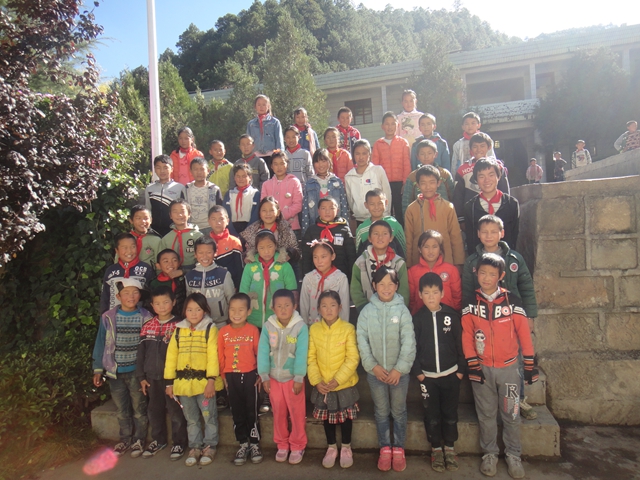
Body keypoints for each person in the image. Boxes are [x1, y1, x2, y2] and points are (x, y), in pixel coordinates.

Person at [462, 253, 538, 479]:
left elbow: (524, 334)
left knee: (511, 413)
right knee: (486, 414)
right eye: (482, 273)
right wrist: (472, 363)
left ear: (501, 275)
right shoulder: (470, 304)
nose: (486, 278)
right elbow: (466, 336)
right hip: (481, 369)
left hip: (509, 370)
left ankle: (514, 455)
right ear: (476, 273)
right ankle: (490, 454)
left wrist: (529, 364)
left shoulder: (512, 302)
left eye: (492, 274)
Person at [356, 266, 416, 472]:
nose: (386, 288)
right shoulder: (367, 312)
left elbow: (409, 341)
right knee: (381, 411)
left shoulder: (402, 310)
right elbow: (361, 340)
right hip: (376, 374)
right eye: (381, 284)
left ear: (397, 286)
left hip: (399, 374)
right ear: (374, 286)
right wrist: (372, 366)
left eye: (390, 284)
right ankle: (385, 448)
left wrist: (399, 369)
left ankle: (398, 448)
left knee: (398, 411)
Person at [92, 278, 153, 457]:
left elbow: (149, 345)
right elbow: (100, 343)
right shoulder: (108, 317)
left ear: (140, 296)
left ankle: (139, 440)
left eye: (135, 292)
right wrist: (98, 369)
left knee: (139, 408)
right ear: (118, 296)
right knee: (121, 409)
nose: (131, 296)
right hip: (115, 372)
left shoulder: (146, 316)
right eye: (126, 293)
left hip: (137, 372)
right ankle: (125, 439)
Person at [411, 272, 464, 473]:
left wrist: (460, 371)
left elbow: (461, 345)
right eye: (426, 293)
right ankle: (436, 449)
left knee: (450, 413)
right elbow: (412, 347)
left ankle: (449, 448)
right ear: (420, 295)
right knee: (431, 414)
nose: (431, 296)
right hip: (428, 378)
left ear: (442, 293)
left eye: (435, 292)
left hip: (451, 375)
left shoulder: (452, 316)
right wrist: (419, 373)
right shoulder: (417, 319)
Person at [164, 293, 224, 467]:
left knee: (209, 416)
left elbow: (213, 356)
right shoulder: (179, 329)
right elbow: (171, 357)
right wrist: (169, 382)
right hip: (183, 385)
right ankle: (195, 447)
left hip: (204, 384)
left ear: (205, 310)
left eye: (198, 309)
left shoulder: (210, 329)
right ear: (184, 311)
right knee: (191, 419)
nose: (193, 313)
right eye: (189, 310)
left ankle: (210, 446)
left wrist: (211, 380)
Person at [308, 290, 360, 469]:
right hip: (323, 385)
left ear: (340, 307)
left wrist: (338, 380)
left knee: (345, 418)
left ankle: (346, 447)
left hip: (343, 384)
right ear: (318, 309)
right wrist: (316, 381)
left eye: (332, 305)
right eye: (324, 306)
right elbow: (311, 358)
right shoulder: (314, 329)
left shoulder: (348, 329)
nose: (328, 310)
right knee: (327, 418)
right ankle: (331, 447)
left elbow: (352, 358)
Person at [136, 286, 188, 460]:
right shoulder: (147, 326)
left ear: (173, 302)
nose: (162, 306)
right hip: (152, 378)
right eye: (157, 303)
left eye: (166, 302)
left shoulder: (180, 325)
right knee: (154, 410)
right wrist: (141, 377)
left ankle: (179, 442)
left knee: (175, 410)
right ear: (152, 305)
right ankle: (158, 440)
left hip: (173, 378)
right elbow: (141, 354)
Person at [258, 289, 309, 465]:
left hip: (293, 379)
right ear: (272, 308)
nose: (283, 309)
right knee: (278, 412)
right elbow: (263, 351)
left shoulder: (300, 327)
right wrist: (264, 376)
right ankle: (282, 444)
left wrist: (299, 377)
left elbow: (302, 353)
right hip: (273, 378)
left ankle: (298, 444)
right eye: (279, 306)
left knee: (297, 413)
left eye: (287, 305)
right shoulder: (268, 326)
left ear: (294, 306)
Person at [217, 293, 263, 466]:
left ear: (249, 311)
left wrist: (260, 374)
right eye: (232, 310)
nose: (236, 313)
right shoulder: (223, 332)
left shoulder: (253, 330)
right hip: (231, 377)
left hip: (250, 376)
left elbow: (259, 353)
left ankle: (255, 443)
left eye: (241, 310)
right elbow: (221, 357)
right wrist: (223, 376)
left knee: (252, 411)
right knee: (237, 411)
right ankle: (243, 443)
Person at [404, 165, 465, 270]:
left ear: (438, 183)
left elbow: (455, 236)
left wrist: (458, 263)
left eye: (432, 182)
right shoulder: (411, 209)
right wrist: (409, 264)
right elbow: (409, 238)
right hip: (419, 263)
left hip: (445, 261)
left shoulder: (448, 207)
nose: (428, 187)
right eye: (423, 183)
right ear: (418, 185)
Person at [240, 230, 297, 329]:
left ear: (275, 246)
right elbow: (243, 292)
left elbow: (292, 292)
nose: (266, 251)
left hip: (278, 320)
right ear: (257, 248)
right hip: (252, 320)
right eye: (261, 248)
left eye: (270, 246)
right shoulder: (250, 266)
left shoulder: (284, 266)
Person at [452, 132, 510, 229]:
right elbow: (458, 196)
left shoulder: (498, 167)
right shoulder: (462, 169)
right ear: (470, 149)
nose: (479, 149)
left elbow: (504, 190)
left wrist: (506, 211)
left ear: (489, 147)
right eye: (475, 146)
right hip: (472, 215)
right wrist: (461, 218)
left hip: (496, 212)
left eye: (482, 146)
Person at [463, 158, 520, 256]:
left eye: (491, 175)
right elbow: (471, 239)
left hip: (506, 258)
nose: (487, 180)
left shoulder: (511, 203)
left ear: (498, 176)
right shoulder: (470, 207)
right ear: (476, 180)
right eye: (481, 176)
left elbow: (515, 235)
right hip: (480, 260)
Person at [351, 220, 410, 311]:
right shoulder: (360, 262)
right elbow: (355, 290)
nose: (380, 237)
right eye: (376, 234)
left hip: (394, 312)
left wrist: (397, 310)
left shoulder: (398, 263)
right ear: (369, 238)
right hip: (368, 312)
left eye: (385, 234)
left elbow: (403, 291)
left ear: (391, 238)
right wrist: (364, 308)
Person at [185, 236, 235, 330]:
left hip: (220, 324)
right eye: (200, 252)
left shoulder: (223, 274)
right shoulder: (189, 276)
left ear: (215, 253)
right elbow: (189, 301)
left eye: (209, 252)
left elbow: (231, 298)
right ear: (195, 254)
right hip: (198, 325)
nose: (205, 256)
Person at [302, 196, 356, 282]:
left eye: (331, 208)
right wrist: (307, 276)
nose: (327, 212)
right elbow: (306, 256)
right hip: (316, 275)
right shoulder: (312, 230)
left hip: (341, 274)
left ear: (337, 210)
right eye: (323, 208)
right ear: (318, 211)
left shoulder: (344, 229)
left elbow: (351, 255)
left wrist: (351, 278)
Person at [408, 230, 461, 314]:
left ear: (440, 249)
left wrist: (454, 313)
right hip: (422, 316)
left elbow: (457, 296)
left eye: (434, 246)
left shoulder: (451, 270)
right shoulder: (412, 272)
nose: (430, 251)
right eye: (426, 247)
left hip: (447, 316)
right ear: (419, 249)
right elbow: (412, 299)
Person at [100, 232, 155, 314]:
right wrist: (104, 315)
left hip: (140, 317)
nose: (129, 251)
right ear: (117, 250)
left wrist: (149, 316)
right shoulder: (111, 270)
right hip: (113, 317)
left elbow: (152, 296)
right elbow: (105, 296)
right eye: (124, 247)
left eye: (133, 247)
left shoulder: (146, 269)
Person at [372, 111, 411, 225]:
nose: (390, 127)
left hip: (399, 183)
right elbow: (375, 166)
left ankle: (401, 233)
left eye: (393, 123)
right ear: (382, 126)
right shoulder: (378, 144)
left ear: (397, 125)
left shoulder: (403, 143)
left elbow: (406, 163)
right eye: (387, 124)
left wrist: (405, 182)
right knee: (385, 210)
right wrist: (378, 184)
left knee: (400, 211)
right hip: (384, 183)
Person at [299, 240, 350, 325]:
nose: (319, 261)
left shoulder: (341, 278)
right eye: (315, 257)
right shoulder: (308, 278)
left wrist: (343, 328)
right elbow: (304, 305)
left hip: (336, 328)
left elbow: (344, 306)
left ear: (333, 256)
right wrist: (304, 327)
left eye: (323, 257)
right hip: (313, 327)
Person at [301, 148, 349, 235]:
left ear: (329, 162)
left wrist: (345, 229)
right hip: (316, 227)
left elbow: (344, 207)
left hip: (336, 227)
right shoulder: (309, 184)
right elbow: (305, 211)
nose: (320, 165)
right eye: (317, 161)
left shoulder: (337, 182)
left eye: (323, 161)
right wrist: (305, 233)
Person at [344, 139, 391, 225]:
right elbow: (350, 200)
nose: (361, 157)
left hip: (380, 217)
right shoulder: (349, 176)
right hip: (360, 219)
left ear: (369, 154)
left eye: (364, 153)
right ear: (353, 155)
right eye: (357, 154)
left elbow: (387, 192)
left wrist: (386, 213)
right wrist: (356, 211)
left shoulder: (378, 170)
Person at [240, 196, 300, 263]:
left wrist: (289, 255)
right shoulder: (252, 231)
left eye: (271, 210)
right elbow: (247, 251)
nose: (268, 214)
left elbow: (295, 249)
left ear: (278, 212)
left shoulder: (286, 230)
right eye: (264, 210)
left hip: (281, 266)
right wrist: (248, 257)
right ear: (259, 213)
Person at [260, 151, 304, 235]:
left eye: (282, 163)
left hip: (291, 227)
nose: (279, 167)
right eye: (275, 164)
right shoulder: (266, 184)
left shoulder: (294, 182)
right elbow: (263, 205)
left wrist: (281, 216)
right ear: (271, 166)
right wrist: (272, 216)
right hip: (270, 227)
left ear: (287, 164)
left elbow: (298, 205)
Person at [403, 139, 455, 210]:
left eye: (429, 153)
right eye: (422, 154)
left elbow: (453, 196)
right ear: (417, 156)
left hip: (443, 212)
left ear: (436, 154)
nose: (426, 156)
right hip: (420, 213)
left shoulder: (444, 174)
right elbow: (406, 201)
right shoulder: (412, 177)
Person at [355, 189, 406, 257]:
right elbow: (359, 254)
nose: (376, 207)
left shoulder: (394, 224)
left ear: (386, 202)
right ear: (366, 205)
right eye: (372, 204)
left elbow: (403, 249)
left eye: (380, 203)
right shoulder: (362, 228)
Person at [145, 154, 185, 237]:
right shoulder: (149, 189)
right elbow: (148, 210)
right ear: (154, 169)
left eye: (165, 167)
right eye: (158, 167)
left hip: (174, 230)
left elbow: (184, 210)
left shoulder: (180, 188)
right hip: (154, 231)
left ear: (172, 169)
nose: (162, 171)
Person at [158, 199, 203, 271]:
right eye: (175, 212)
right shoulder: (166, 239)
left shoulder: (198, 236)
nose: (179, 215)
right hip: (171, 271)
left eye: (182, 211)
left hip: (195, 272)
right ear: (170, 215)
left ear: (189, 214)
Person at [205, 205, 243, 289]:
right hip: (210, 285)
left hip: (231, 285)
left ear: (227, 221)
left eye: (221, 219)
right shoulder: (205, 242)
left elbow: (239, 268)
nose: (218, 223)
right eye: (214, 219)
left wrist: (237, 287)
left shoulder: (234, 241)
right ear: (209, 221)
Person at [246, 94, 284, 173]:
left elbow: (279, 139)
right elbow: (247, 141)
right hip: (256, 157)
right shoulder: (251, 124)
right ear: (255, 107)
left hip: (271, 156)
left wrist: (280, 155)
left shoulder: (275, 122)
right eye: (259, 105)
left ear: (268, 106)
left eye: (264, 104)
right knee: (256, 178)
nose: (261, 107)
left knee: (271, 178)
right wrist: (248, 155)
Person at [184, 157, 223, 231]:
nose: (199, 172)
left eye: (202, 169)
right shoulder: (186, 189)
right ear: (191, 171)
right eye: (195, 169)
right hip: (191, 228)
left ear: (208, 171)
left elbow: (220, 210)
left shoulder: (214, 189)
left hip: (210, 227)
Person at [223, 163, 260, 235]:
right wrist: (232, 232)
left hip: (250, 230)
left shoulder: (255, 194)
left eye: (244, 176)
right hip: (232, 229)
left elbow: (256, 216)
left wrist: (247, 233)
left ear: (250, 177)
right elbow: (225, 214)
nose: (240, 179)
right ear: (234, 177)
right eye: (238, 176)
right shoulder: (229, 194)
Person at [149, 249, 187, 317]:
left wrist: (183, 272)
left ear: (179, 263)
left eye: (174, 260)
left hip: (183, 316)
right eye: (166, 261)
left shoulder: (184, 279)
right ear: (158, 266)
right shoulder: (154, 283)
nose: (171, 264)